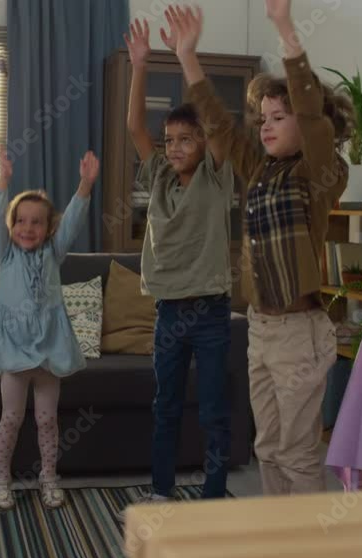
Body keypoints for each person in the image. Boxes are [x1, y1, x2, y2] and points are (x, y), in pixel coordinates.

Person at [167, 1, 353, 495]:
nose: (265, 125)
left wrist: (284, 28)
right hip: (261, 329)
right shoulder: (260, 169)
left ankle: (308, 535)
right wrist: (187, 57)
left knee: (297, 452)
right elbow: (219, 126)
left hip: (298, 333)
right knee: (267, 447)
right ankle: (276, 532)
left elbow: (310, 110)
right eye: (263, 117)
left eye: (278, 117)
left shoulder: (319, 173)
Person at [125, 15, 236, 507]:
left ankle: (213, 499)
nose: (174, 148)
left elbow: (217, 124)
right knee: (165, 406)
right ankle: (160, 492)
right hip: (169, 311)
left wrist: (186, 55)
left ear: (202, 144)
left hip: (210, 311)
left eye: (185, 139)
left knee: (212, 411)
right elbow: (134, 127)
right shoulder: (159, 177)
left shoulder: (215, 176)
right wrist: (140, 65)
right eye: (170, 140)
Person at [0, 147, 99, 510]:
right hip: (14, 349)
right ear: (12, 225)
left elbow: (73, 221)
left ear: (49, 228)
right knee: (11, 418)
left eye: (36, 222)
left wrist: (85, 184)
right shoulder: (5, 254)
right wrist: (3, 182)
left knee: (47, 420)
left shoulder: (54, 251)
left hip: (49, 348)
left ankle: (48, 477)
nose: (27, 228)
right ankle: (1, 477)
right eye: (20, 221)